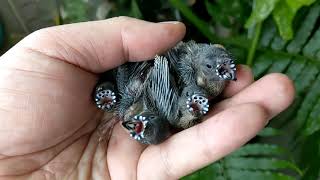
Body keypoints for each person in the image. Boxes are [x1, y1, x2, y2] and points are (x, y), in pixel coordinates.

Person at [0, 17, 294, 180]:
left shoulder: (189, 67)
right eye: (220, 69)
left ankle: (153, 116)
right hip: (141, 94)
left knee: (170, 116)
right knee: (164, 120)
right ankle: (148, 119)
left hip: (146, 93)